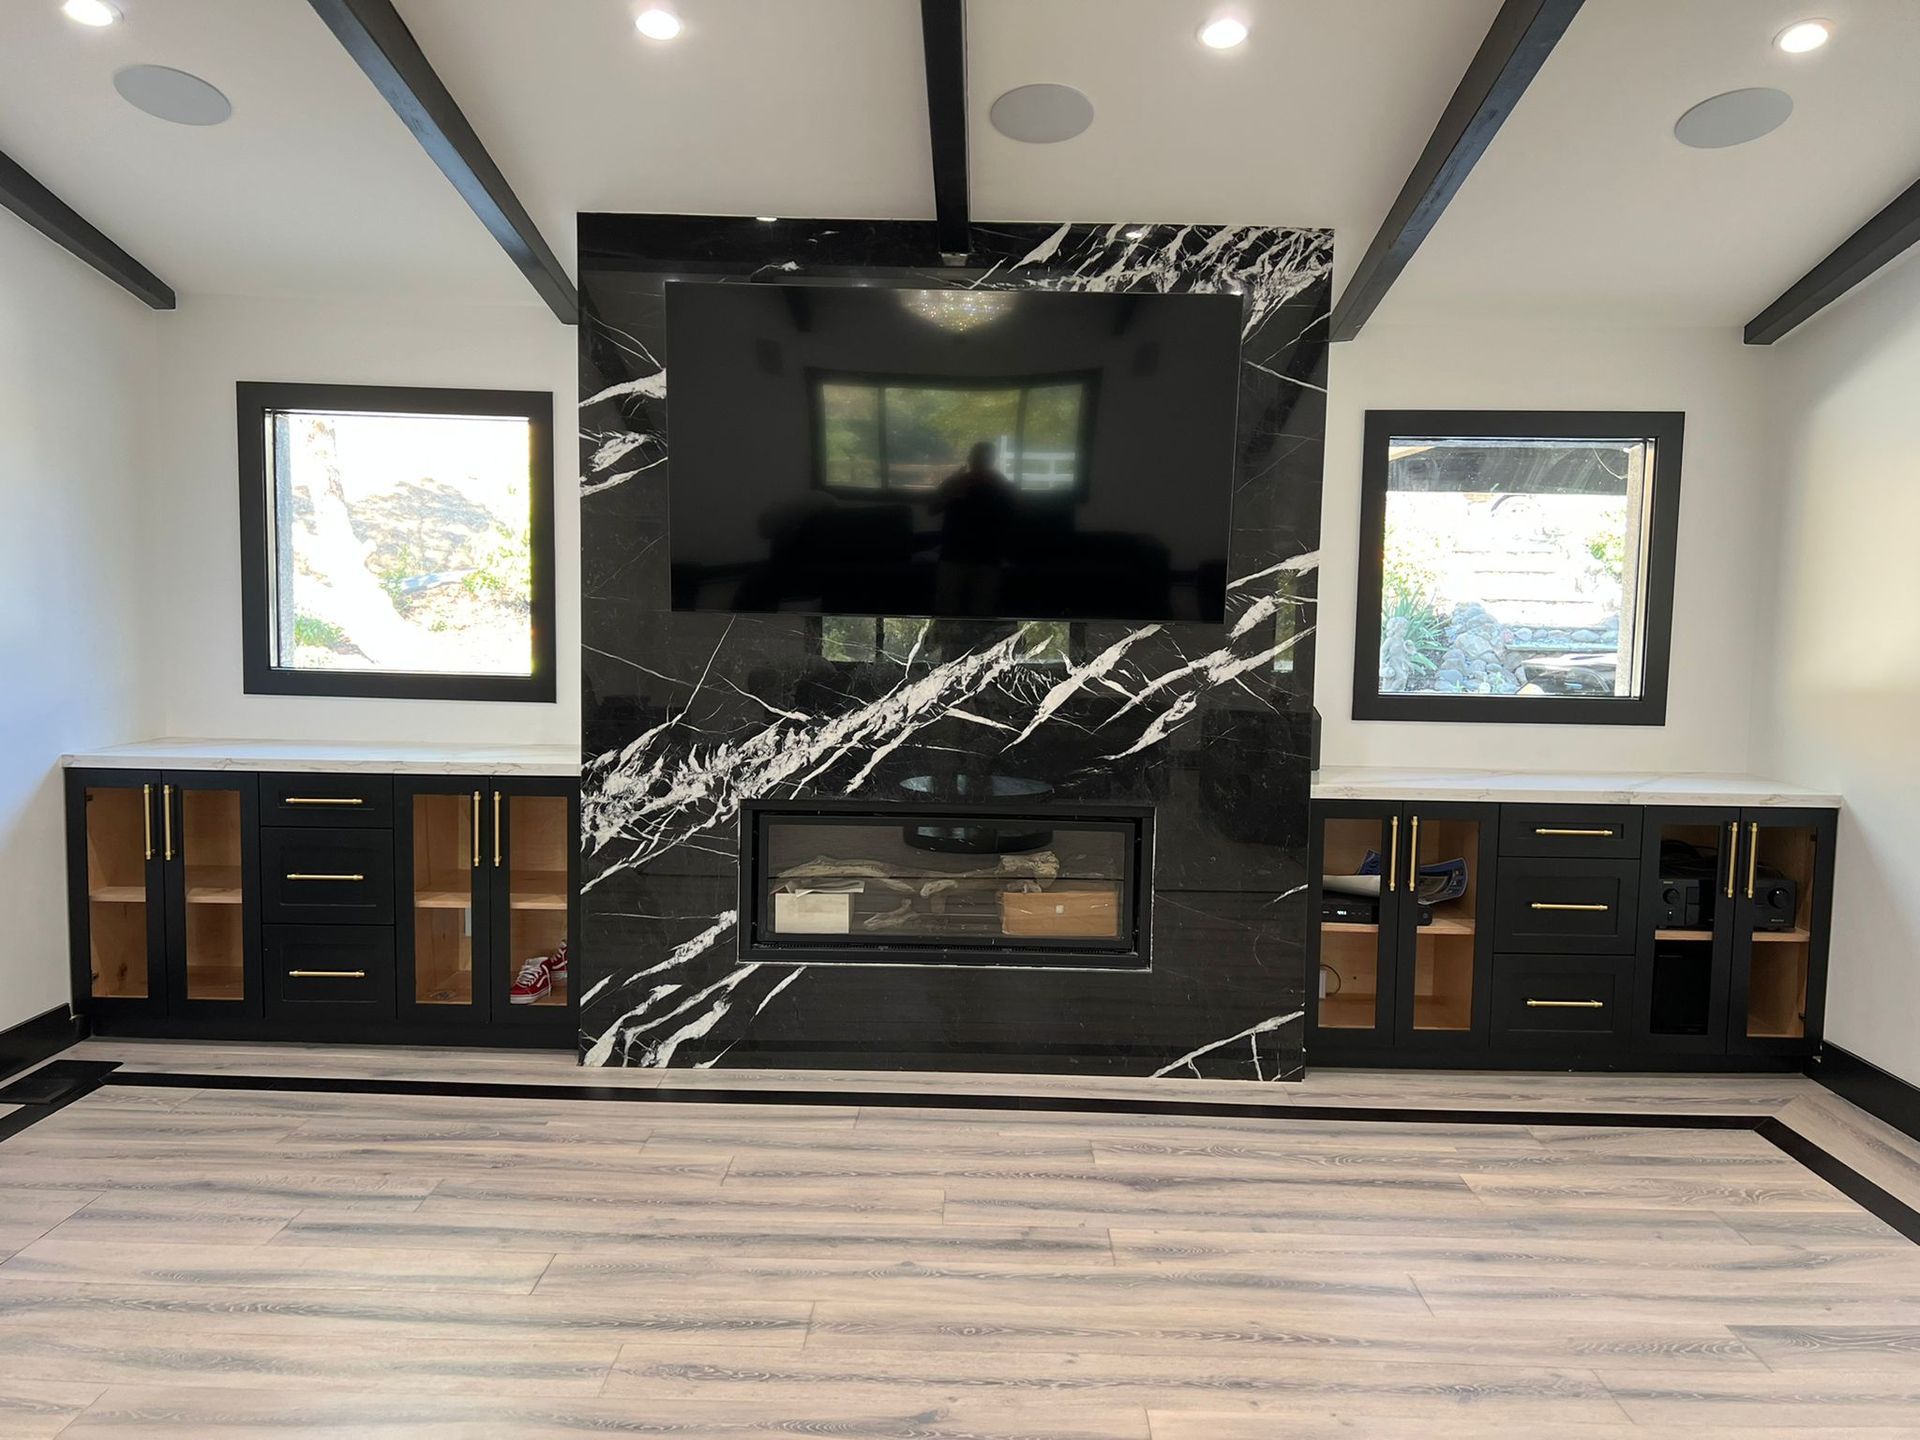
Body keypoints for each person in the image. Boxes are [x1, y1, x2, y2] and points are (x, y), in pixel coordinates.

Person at [930, 441, 1017, 615]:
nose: (978, 462)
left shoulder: (1001, 486)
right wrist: (952, 491)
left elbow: (1012, 517)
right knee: (957, 610)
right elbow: (933, 508)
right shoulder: (958, 482)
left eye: (982, 459)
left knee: (975, 610)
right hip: (962, 555)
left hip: (980, 556)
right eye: (977, 458)